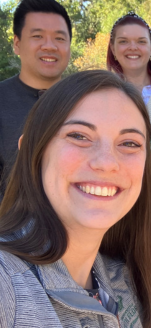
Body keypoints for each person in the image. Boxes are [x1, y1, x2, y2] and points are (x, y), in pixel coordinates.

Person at [0, 70, 151, 327]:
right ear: (32, 151)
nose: (107, 163)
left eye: (129, 143)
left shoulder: (124, 281)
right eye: (78, 136)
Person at [0, 0, 71, 201]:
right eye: (37, 36)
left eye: (59, 38)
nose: (49, 46)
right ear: (17, 44)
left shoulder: (86, 100)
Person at [107, 12, 151, 131]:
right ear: (113, 49)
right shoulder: (103, 95)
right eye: (123, 41)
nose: (133, 47)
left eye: (141, 41)